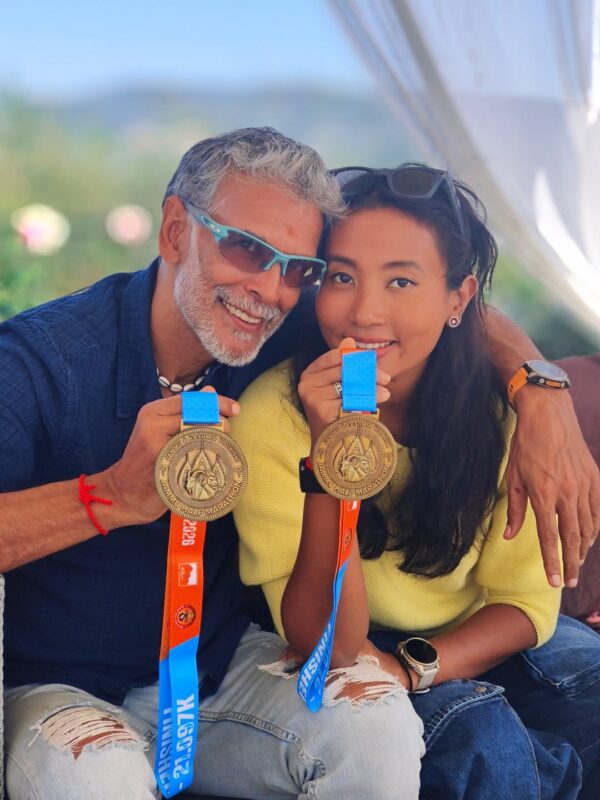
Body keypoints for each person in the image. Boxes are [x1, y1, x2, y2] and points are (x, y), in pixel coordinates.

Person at [0, 127, 597, 799]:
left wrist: (539, 393)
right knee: (97, 777)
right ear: (174, 231)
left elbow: (432, 302)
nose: (271, 288)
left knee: (375, 725)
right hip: (58, 684)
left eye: (300, 268)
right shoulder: (37, 361)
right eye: (247, 248)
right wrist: (106, 496)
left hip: (224, 667)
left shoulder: (282, 318)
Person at [231, 164, 600, 799]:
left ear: (459, 299)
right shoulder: (275, 415)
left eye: (401, 280)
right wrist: (331, 456)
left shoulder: (499, 408)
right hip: (348, 638)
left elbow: (526, 603)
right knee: (483, 741)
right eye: (342, 277)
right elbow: (331, 645)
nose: (365, 311)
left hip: (478, 632)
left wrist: (412, 670)